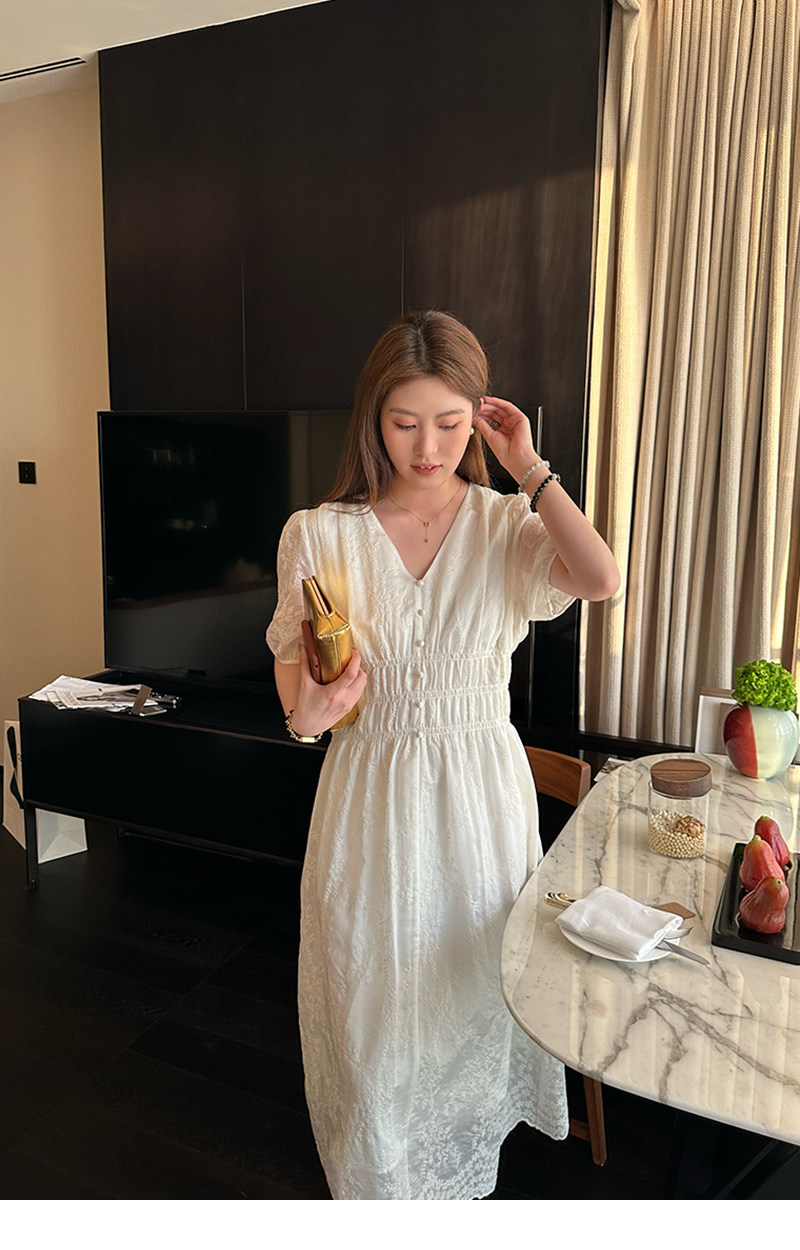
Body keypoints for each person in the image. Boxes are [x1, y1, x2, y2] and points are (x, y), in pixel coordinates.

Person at [266, 310, 619, 1200]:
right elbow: (298, 703)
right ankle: (382, 1185)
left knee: (469, 991)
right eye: (404, 423)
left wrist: (530, 468)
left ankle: (459, 1170)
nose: (427, 448)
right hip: (370, 798)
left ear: (480, 422)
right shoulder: (319, 533)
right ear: (372, 420)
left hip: (479, 802)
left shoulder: (507, 524)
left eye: (451, 423)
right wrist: (314, 712)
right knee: (373, 1000)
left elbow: (601, 578)